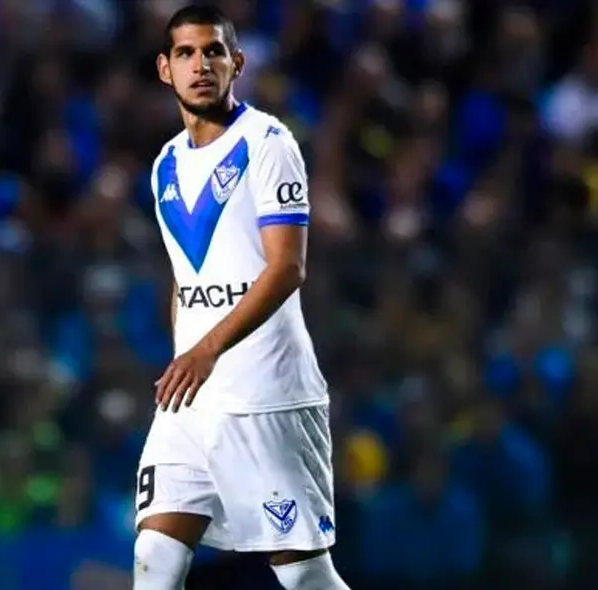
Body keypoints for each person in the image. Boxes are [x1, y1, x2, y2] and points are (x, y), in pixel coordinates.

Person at [133, 6, 350, 590]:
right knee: (154, 556)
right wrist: (188, 355)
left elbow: (287, 268)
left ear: (238, 64)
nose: (200, 65)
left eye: (213, 52)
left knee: (304, 575)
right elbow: (185, 277)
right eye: (185, 53)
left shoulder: (269, 143)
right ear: (164, 68)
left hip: (267, 393)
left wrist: (206, 349)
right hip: (192, 403)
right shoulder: (164, 165)